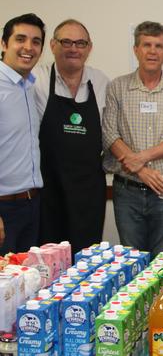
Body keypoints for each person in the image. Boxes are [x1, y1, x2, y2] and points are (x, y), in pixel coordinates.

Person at [102, 21, 163, 258]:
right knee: (131, 258)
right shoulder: (117, 87)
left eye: (158, 46)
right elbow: (110, 133)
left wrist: (141, 158)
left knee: (161, 261)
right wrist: (141, 171)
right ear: (136, 49)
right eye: (146, 45)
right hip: (127, 190)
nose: (152, 51)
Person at [33, 19, 109, 254]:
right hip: (49, 189)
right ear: (53, 45)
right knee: (48, 260)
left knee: (86, 262)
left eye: (80, 43)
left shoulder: (102, 82)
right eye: (66, 42)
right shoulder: (36, 80)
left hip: (89, 192)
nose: (73, 48)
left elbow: (111, 133)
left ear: (89, 48)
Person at [0, 13, 45, 255]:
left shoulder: (27, 87)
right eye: (21, 39)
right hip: (4, 208)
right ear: (4, 44)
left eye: (35, 41)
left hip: (30, 205)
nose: (28, 47)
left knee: (25, 287)